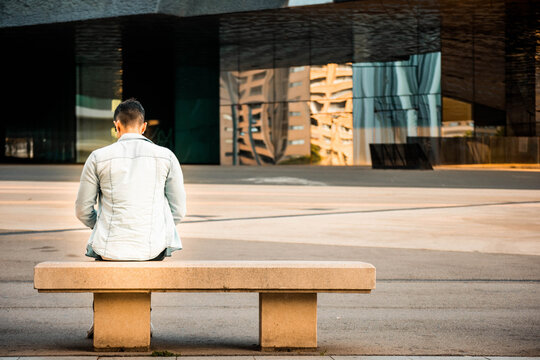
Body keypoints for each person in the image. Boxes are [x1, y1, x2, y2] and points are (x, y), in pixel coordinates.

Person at [75, 98, 186, 261]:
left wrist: (102, 225)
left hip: (109, 249)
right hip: (153, 249)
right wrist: (156, 228)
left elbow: (82, 210)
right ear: (144, 127)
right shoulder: (166, 157)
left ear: (116, 125)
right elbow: (178, 210)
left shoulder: (97, 157)